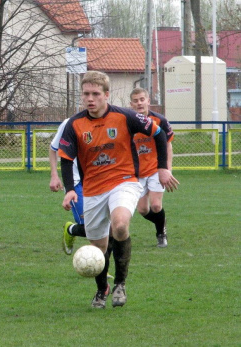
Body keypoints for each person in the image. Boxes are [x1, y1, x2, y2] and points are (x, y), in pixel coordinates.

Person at [58, 71, 178, 308]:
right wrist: (70, 189)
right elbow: (65, 158)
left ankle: (120, 285)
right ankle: (102, 288)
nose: (90, 99)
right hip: (92, 189)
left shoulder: (126, 116)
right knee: (99, 247)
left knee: (120, 224)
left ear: (106, 95)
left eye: (95, 94)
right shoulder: (74, 125)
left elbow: (159, 133)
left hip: (124, 181)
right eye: (86, 94)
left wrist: (163, 168)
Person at [129, 88, 174, 247]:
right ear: (131, 103)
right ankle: (161, 222)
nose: (139, 103)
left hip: (156, 169)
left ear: (148, 101)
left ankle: (161, 233)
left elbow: (167, 145)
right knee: (142, 210)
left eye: (142, 99)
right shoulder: (127, 121)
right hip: (137, 172)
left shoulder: (159, 120)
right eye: (136, 100)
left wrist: (167, 169)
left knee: (156, 205)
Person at [49, 118, 86, 255]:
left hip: (98, 182)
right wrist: (54, 175)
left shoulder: (109, 121)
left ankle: (101, 267)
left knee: (106, 227)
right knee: (89, 228)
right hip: (76, 183)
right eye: (87, 94)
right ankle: (70, 230)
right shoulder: (69, 123)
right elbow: (53, 149)